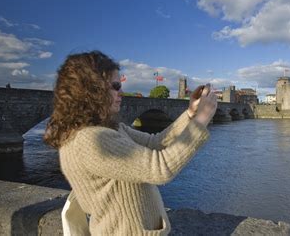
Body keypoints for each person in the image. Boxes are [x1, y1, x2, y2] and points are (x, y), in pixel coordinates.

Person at [44, 51, 217, 235]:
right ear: (91, 90)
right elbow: (160, 169)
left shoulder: (109, 129)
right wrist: (201, 120)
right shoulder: (89, 140)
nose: (122, 92)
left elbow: (156, 142)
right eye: (116, 86)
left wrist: (190, 114)